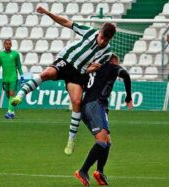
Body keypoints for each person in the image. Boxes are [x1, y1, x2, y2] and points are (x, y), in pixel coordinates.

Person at [11, 6, 116, 155]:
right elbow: (67, 22)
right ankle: (20, 95)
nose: (102, 41)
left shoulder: (107, 53)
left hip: (79, 73)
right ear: (99, 32)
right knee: (47, 73)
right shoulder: (90, 31)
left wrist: (90, 70)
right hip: (66, 61)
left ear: (110, 39)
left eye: (106, 40)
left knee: (77, 102)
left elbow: (92, 68)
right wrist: (47, 13)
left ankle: (71, 140)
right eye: (101, 37)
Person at [74, 54, 133, 186]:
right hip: (95, 105)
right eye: (118, 62)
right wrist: (128, 97)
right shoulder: (111, 66)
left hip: (90, 106)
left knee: (107, 141)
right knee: (101, 141)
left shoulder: (94, 70)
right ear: (113, 61)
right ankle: (83, 171)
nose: (118, 64)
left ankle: (99, 172)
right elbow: (126, 76)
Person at [0, 38, 24, 119]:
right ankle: (12, 111)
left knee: (11, 94)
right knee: (8, 96)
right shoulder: (0, 55)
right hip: (5, 78)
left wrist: (22, 77)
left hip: (13, 77)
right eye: (6, 44)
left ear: (11, 45)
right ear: (4, 45)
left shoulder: (15, 54)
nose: (8, 45)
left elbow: (19, 67)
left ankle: (9, 112)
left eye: (9, 44)